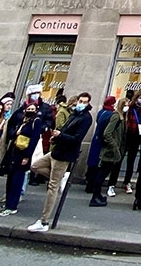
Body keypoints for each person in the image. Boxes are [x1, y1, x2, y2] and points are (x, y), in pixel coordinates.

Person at [27, 91, 93, 233]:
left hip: (65, 155)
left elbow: (77, 138)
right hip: (57, 150)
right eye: (80, 100)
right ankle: (60, 177)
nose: (81, 103)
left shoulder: (86, 118)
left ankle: (44, 221)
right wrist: (56, 137)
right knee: (35, 166)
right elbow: (64, 129)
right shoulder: (74, 114)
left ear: (88, 103)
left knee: (52, 188)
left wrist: (60, 135)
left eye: (84, 102)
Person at [0, 101, 43, 216]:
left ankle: (12, 206)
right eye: (29, 109)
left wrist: (27, 156)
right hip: (13, 152)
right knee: (10, 180)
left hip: (23, 154)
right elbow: (11, 133)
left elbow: (34, 140)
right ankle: (8, 203)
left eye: (33, 109)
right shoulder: (22, 120)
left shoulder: (36, 122)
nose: (30, 111)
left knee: (17, 181)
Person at [90, 98, 125, 207]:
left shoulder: (121, 117)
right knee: (102, 173)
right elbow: (107, 133)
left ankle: (98, 195)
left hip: (112, 149)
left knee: (104, 172)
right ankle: (95, 196)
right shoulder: (116, 116)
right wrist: (114, 146)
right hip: (110, 151)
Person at [85, 96, 116, 194]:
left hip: (96, 138)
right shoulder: (110, 114)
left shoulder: (101, 112)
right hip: (102, 140)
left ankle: (89, 183)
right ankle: (93, 185)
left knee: (93, 162)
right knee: (99, 164)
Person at [122, 90, 141, 194]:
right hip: (127, 135)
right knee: (119, 159)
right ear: (135, 99)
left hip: (137, 137)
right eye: (140, 97)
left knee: (131, 161)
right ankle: (112, 183)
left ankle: (127, 182)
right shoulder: (129, 109)